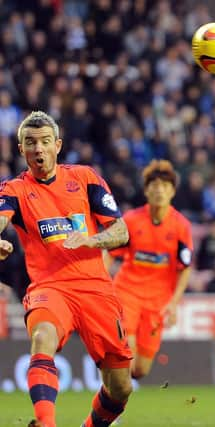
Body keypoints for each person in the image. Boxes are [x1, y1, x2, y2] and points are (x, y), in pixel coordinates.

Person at [0, 111, 132, 427]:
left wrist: (90, 240)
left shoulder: (85, 178)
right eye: (30, 143)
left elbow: (121, 232)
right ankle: (46, 423)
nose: (38, 149)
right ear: (21, 149)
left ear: (57, 145)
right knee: (42, 337)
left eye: (45, 142)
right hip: (50, 287)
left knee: (120, 388)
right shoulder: (14, 189)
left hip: (96, 288)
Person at [105, 159, 193, 380]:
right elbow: (109, 254)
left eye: (164, 187)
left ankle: (113, 385)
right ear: (146, 191)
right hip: (127, 293)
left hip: (158, 302)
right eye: (154, 186)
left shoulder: (181, 226)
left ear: (172, 192)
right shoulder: (132, 221)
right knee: (126, 353)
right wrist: (101, 285)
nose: (159, 191)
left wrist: (173, 304)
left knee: (140, 370)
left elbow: (185, 267)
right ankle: (109, 410)